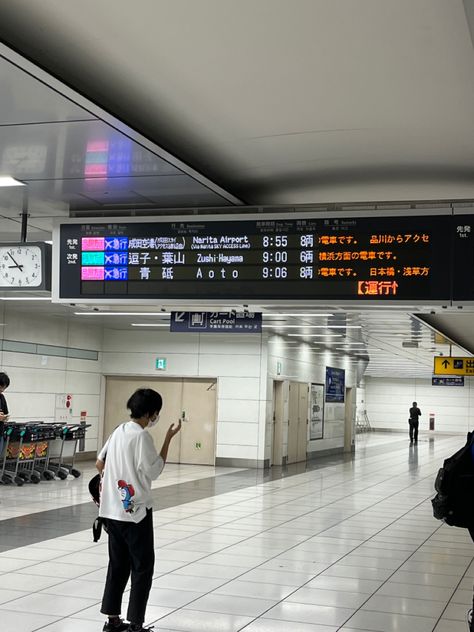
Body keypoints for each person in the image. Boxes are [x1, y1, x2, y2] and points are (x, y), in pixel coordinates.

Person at [96, 388, 181, 632]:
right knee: (142, 568)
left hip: (111, 512)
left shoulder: (118, 431)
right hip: (136, 514)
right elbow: (154, 470)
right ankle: (135, 624)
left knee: (117, 565)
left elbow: (99, 462)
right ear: (151, 413)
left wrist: (115, 484)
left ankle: (112, 620)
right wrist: (168, 439)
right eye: (157, 413)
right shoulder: (141, 436)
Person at [0, 372, 10, 457]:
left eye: (4, 388)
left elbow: (6, 413)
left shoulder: (2, 398)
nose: (2, 390)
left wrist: (5, 418)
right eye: (1, 387)